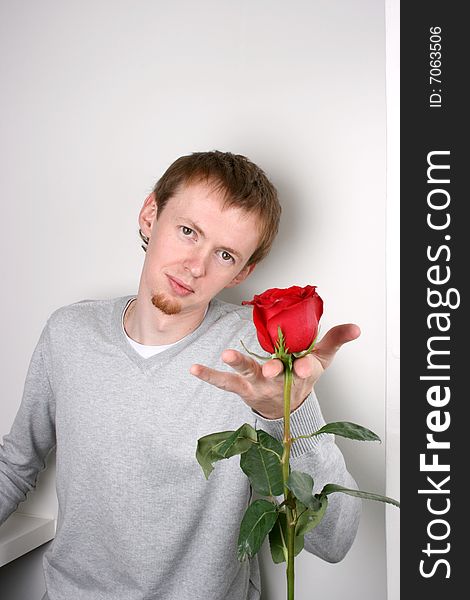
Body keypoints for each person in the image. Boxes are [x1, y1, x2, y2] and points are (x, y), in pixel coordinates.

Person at [0, 151, 361, 600]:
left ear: (242, 273)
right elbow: (14, 466)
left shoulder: (257, 359)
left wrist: (292, 413)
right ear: (150, 215)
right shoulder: (68, 333)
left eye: (225, 254)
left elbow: (335, 540)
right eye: (188, 231)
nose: (196, 266)